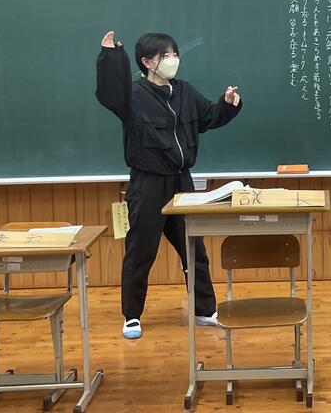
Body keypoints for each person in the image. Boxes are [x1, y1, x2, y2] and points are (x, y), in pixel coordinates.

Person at [96, 30, 243, 339]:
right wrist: (111, 56)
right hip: (148, 184)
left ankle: (204, 310)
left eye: (175, 54)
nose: (173, 60)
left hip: (181, 182)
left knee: (194, 249)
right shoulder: (132, 95)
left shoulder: (184, 91)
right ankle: (132, 316)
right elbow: (109, 94)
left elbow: (209, 117)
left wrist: (228, 105)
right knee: (140, 251)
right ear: (147, 62)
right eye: (165, 56)